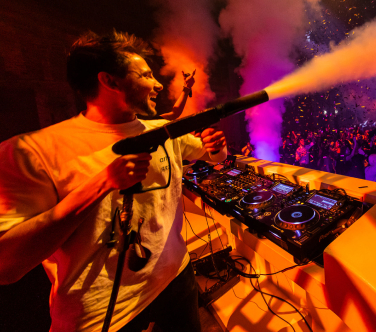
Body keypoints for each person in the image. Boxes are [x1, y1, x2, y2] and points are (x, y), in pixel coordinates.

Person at [0, 31, 227, 332]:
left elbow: (214, 155)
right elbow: (6, 266)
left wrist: (217, 146)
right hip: (101, 313)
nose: (159, 84)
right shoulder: (29, 152)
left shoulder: (163, 130)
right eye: (146, 75)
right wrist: (103, 183)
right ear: (110, 81)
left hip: (176, 277)